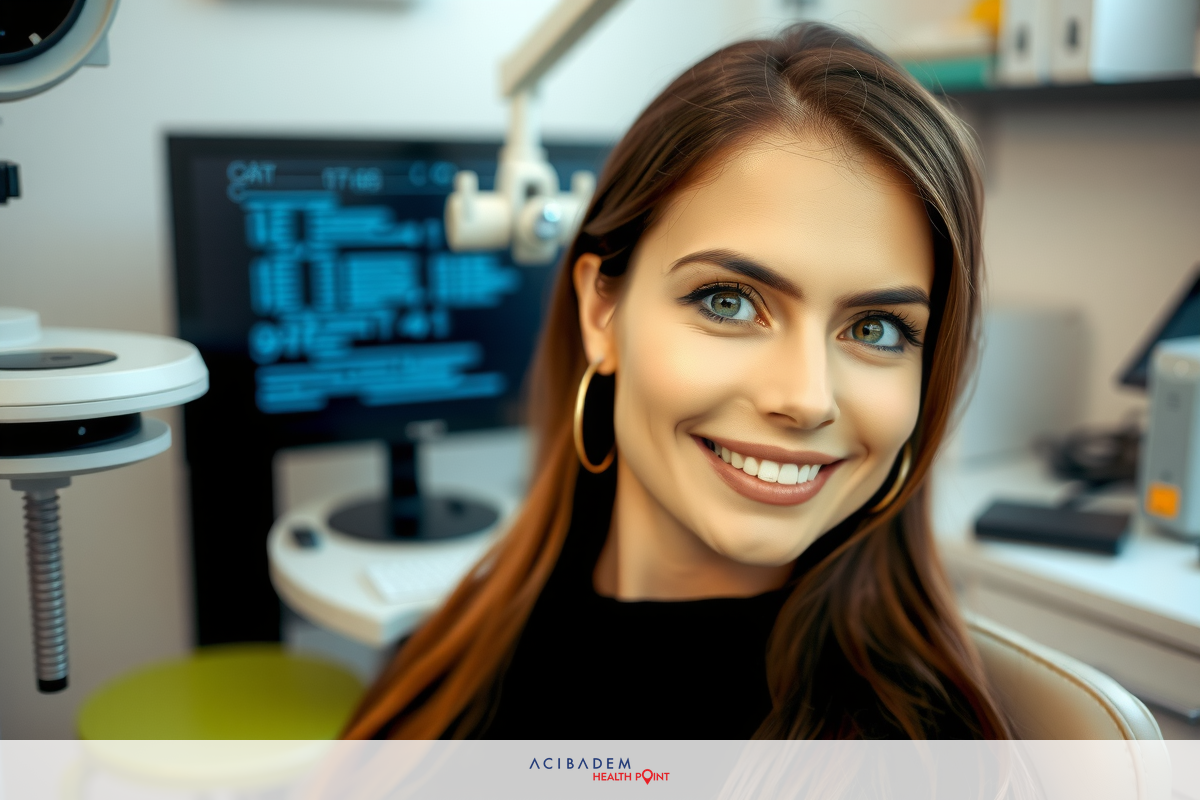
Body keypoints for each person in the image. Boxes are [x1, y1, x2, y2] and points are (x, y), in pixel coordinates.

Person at [344, 22, 1011, 740]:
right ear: (602, 310)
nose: (806, 398)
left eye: (876, 328)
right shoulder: (468, 640)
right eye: (729, 302)